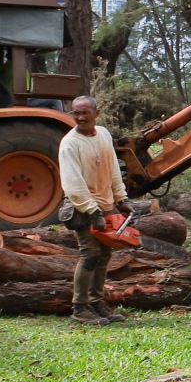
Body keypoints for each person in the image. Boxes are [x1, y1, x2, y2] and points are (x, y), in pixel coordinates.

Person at [57, 95, 128, 325]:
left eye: (85, 112)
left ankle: (97, 303)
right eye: (76, 113)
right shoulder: (70, 143)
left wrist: (121, 198)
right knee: (90, 255)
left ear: (96, 113)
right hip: (82, 207)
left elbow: (113, 168)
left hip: (106, 204)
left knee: (105, 255)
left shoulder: (104, 135)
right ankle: (80, 308)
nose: (80, 117)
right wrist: (92, 211)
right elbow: (72, 183)